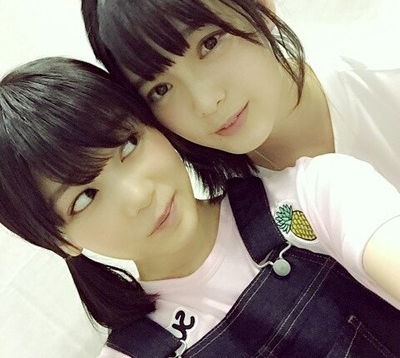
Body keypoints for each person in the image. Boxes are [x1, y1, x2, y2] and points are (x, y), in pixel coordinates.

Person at [0, 57, 400, 358]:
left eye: (129, 145)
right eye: (85, 197)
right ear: (59, 240)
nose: (138, 196)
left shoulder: (309, 196)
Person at [79, 0, 400, 192]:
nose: (207, 102)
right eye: (161, 89)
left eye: (210, 43)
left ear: (260, 5)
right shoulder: (233, 221)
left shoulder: (384, 80)